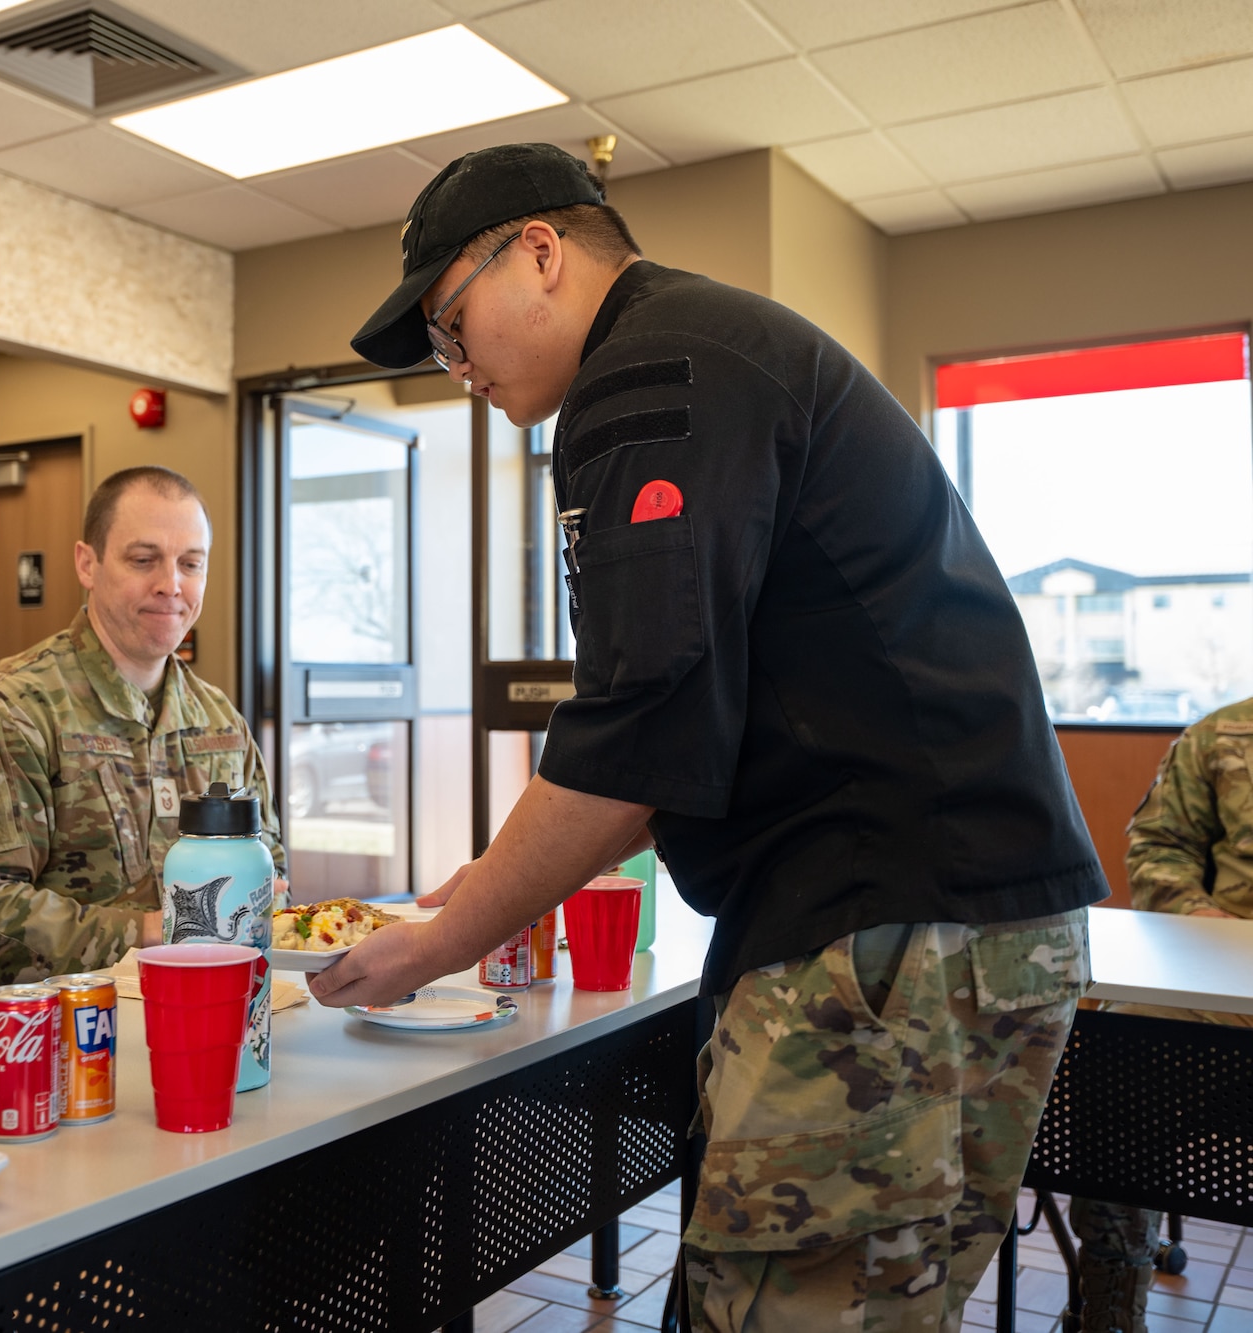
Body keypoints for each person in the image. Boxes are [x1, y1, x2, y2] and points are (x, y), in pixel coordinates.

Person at [315, 143, 1107, 1330]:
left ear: (538, 252)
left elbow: (643, 724)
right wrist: (481, 885)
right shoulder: (713, 346)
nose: (454, 364)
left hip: (881, 933)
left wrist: (443, 939)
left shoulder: (648, 373)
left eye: (449, 322)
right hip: (974, 918)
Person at [0, 467, 283, 998]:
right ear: (88, 564)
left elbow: (270, 876)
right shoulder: (3, 709)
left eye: (191, 564)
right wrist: (157, 934)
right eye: (143, 559)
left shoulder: (220, 719)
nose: (171, 585)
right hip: (49, 1038)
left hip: (213, 1012)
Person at [1066, 700, 1253, 1333]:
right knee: (1123, 1042)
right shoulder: (1225, 734)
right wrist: (1207, 925)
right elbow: (1161, 848)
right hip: (1229, 990)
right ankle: (1111, 1308)